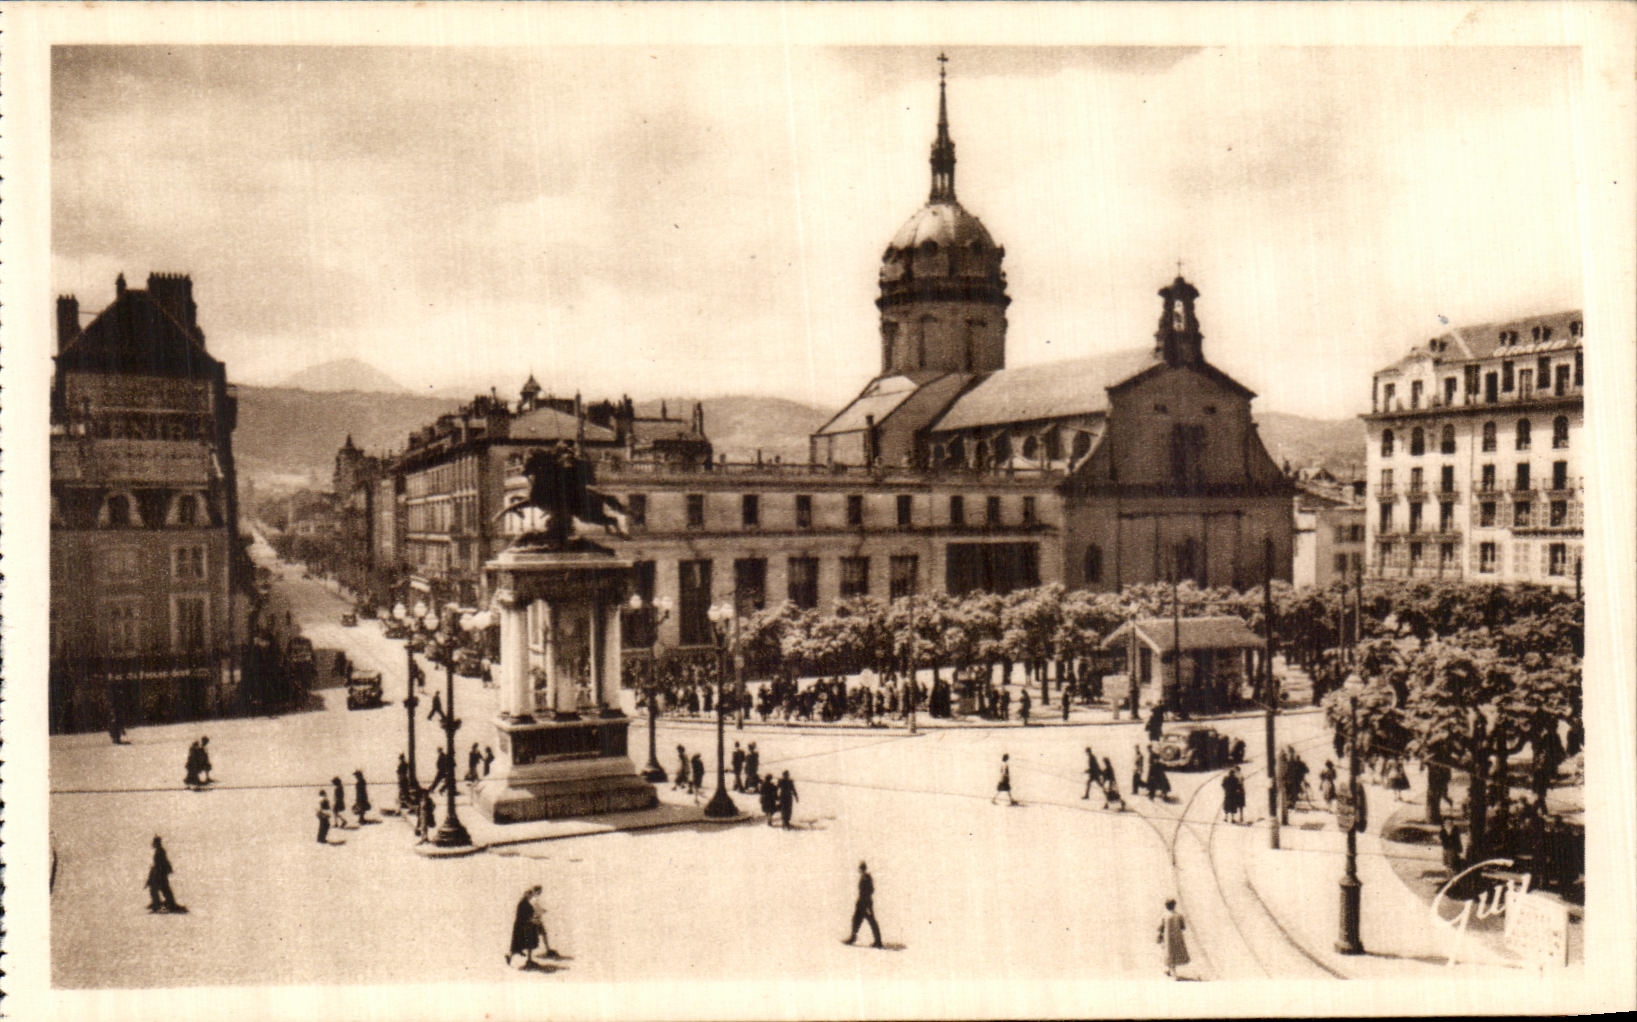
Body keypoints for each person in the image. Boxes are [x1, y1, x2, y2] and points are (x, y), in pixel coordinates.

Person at [508, 885, 556, 967]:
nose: (531, 896)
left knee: (522, 943)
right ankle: (528, 960)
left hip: (527, 924)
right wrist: (534, 919)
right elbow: (525, 915)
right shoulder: (526, 903)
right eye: (530, 894)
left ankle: (528, 959)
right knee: (526, 942)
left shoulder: (526, 902)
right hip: (526, 925)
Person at [843, 861, 883, 948]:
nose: (860, 871)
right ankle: (853, 937)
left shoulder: (867, 878)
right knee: (855, 920)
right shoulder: (863, 877)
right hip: (861, 903)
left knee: (871, 921)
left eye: (861, 869)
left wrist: (867, 904)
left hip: (866, 904)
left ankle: (878, 941)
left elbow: (871, 890)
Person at [1157, 898, 1190, 979]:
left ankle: (1174, 974)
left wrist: (1160, 935)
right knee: (1175, 953)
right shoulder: (1179, 915)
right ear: (1174, 906)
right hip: (1177, 937)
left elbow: (1161, 927)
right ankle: (1170, 970)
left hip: (1168, 937)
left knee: (1168, 953)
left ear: (1166, 906)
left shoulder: (1164, 916)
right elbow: (1183, 927)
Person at [146, 836, 179, 912]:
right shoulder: (159, 851)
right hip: (160, 872)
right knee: (159, 888)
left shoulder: (160, 851)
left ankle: (165, 904)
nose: (153, 844)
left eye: (154, 842)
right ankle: (159, 903)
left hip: (160, 873)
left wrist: (155, 873)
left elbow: (161, 863)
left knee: (161, 888)